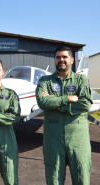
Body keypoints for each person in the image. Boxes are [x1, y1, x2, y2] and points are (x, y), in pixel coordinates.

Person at [36, 46, 93, 185]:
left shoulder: (81, 80)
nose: (61, 60)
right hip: (53, 139)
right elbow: (42, 101)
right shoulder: (45, 81)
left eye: (65, 57)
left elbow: (85, 104)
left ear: (72, 60)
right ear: (54, 60)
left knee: (82, 177)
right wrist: (68, 99)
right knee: (54, 178)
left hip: (78, 139)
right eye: (58, 57)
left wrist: (57, 106)